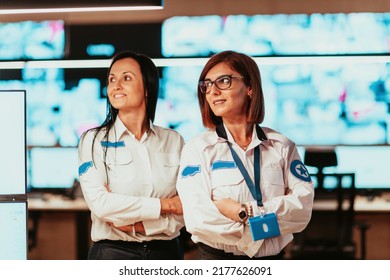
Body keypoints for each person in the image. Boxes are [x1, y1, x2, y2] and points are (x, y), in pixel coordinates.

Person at [176, 50, 314, 260]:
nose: (213, 91)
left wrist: (243, 211)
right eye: (207, 84)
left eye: (223, 81)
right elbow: (199, 219)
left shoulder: (282, 146)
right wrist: (267, 223)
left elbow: (301, 211)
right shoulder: (198, 149)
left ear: (250, 87)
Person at [78, 50, 185, 260]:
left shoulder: (174, 141)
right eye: (112, 79)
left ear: (147, 87)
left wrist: (138, 225)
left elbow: (187, 207)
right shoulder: (93, 140)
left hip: (166, 254)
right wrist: (166, 205)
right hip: (112, 254)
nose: (115, 85)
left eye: (126, 78)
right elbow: (101, 205)